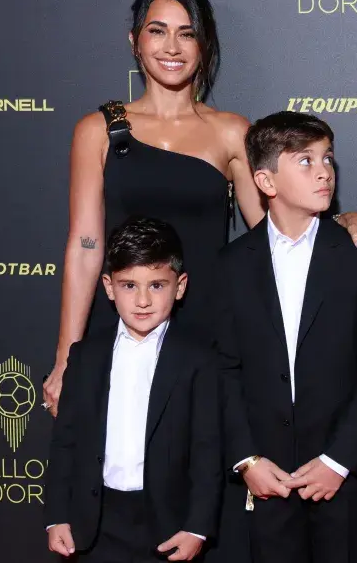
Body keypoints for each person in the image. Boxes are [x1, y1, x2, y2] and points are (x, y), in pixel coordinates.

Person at [42, 0, 357, 417]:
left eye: (187, 33)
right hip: (122, 323)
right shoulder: (97, 131)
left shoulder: (230, 132)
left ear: (203, 44)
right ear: (134, 40)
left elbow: (274, 233)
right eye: (157, 30)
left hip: (205, 326)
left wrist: (343, 219)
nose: (172, 46)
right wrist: (66, 358)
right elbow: (85, 248)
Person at [213, 111, 357, 563]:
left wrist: (339, 461)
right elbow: (223, 368)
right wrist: (247, 460)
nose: (324, 171)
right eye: (305, 160)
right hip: (267, 478)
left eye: (328, 158)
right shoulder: (232, 264)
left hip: (343, 478)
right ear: (266, 181)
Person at [45, 216, 222, 562]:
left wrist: (197, 527)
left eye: (156, 285)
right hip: (94, 522)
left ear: (180, 286)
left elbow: (207, 449)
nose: (142, 300)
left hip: (167, 525)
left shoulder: (199, 358)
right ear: (109, 287)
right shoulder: (85, 356)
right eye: (129, 286)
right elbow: (65, 441)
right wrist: (56, 515)